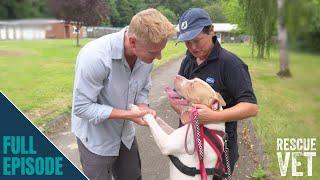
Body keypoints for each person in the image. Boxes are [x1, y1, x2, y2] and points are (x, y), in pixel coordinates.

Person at [71, 8, 176, 180]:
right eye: (153, 52)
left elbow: (143, 87)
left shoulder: (145, 56)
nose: (159, 57)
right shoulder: (95, 57)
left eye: (160, 50)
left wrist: (143, 106)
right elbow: (82, 108)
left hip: (125, 136)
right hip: (96, 140)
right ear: (133, 42)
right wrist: (129, 115)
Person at [169, 8, 258, 176]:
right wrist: (182, 108)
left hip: (218, 150)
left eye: (197, 40)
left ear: (211, 30)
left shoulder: (230, 64)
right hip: (189, 144)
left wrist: (212, 116)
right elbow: (179, 97)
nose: (192, 47)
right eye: (187, 42)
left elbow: (251, 107)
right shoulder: (188, 61)